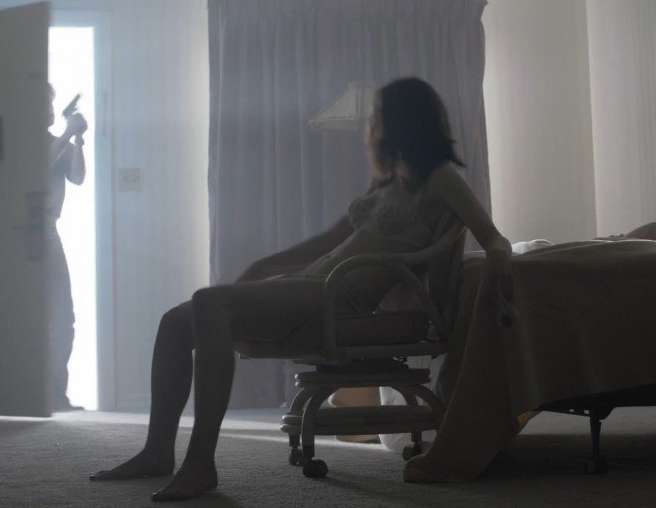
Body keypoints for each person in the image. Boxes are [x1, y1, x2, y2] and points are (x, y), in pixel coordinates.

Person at [89, 77, 513, 501]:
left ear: (404, 121)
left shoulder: (440, 178)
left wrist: (499, 271)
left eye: (379, 117)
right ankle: (157, 451)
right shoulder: (386, 183)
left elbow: (494, 238)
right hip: (313, 284)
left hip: (341, 297)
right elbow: (330, 240)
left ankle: (200, 463)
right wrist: (265, 264)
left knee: (208, 302)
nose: (372, 127)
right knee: (175, 322)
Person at [46, 84, 87, 412]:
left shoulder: (56, 141)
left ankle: (56, 393)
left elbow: (78, 177)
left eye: (51, 103)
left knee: (63, 316)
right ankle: (44, 392)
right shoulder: (28, 143)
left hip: (49, 230)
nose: (50, 109)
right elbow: (34, 168)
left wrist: (78, 140)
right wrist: (66, 133)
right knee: (46, 315)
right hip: (31, 230)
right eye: (45, 104)